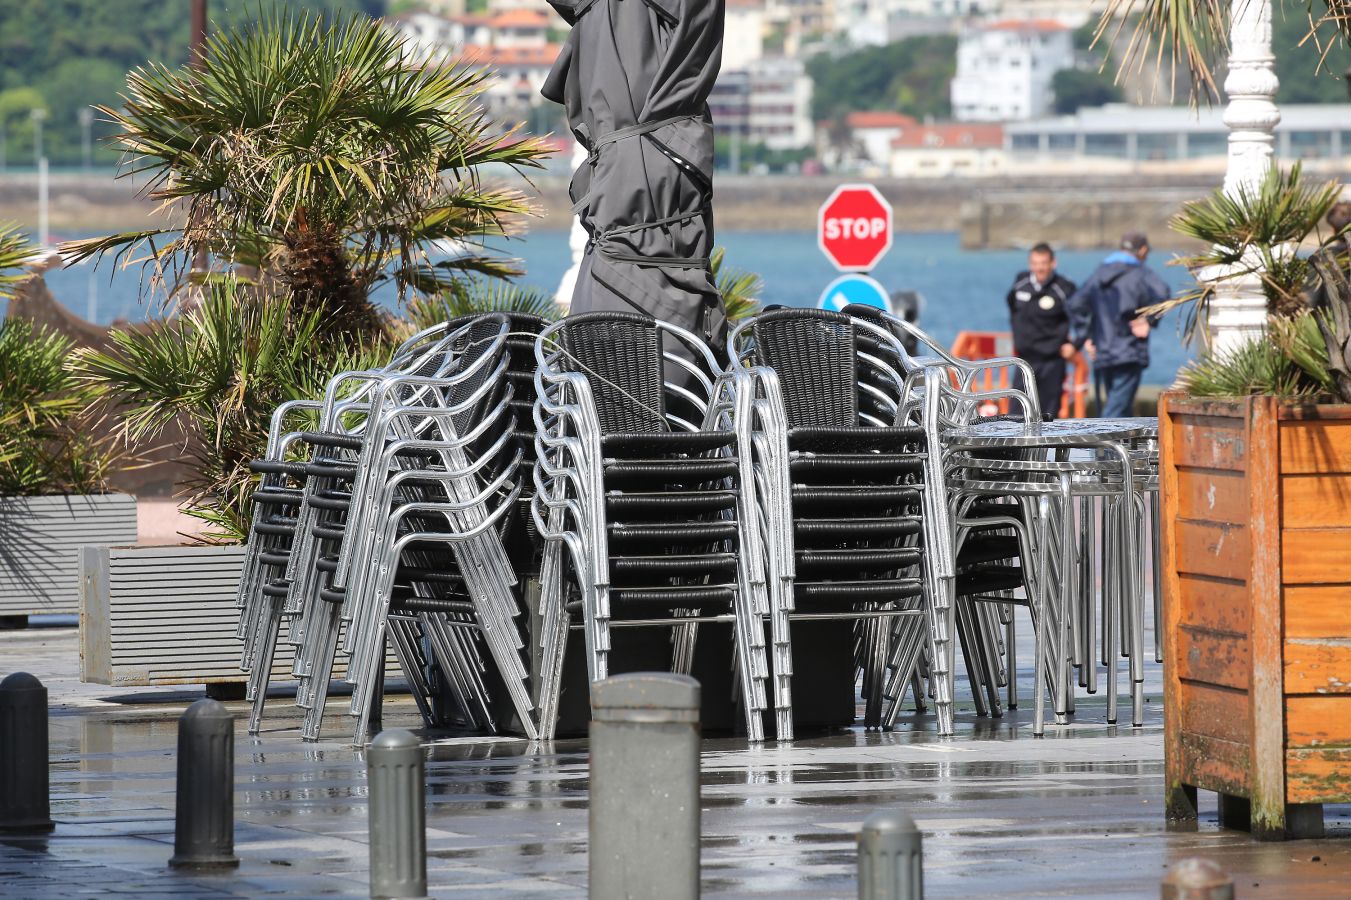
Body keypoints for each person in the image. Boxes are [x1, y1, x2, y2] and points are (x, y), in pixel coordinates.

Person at [1067, 231, 1170, 418]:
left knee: (1121, 408)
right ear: (1143, 250)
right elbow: (1164, 295)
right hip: (1129, 351)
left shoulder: (1099, 274)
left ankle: (1118, 447)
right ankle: (1103, 447)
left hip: (1103, 351)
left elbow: (1075, 304)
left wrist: (1086, 337)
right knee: (1115, 411)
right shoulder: (1141, 273)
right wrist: (1148, 320)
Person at [1006, 242, 1077, 419]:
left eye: (1044, 263)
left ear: (1053, 263)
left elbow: (1085, 316)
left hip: (1052, 361)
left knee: (1048, 415)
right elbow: (1011, 306)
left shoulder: (1064, 288)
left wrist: (1077, 344)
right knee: (1015, 416)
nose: (1040, 268)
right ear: (1030, 264)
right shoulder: (1020, 283)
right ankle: (1014, 448)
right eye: (1035, 263)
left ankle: (1046, 448)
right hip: (1024, 360)